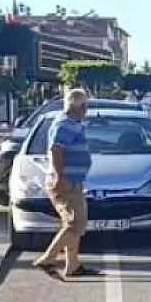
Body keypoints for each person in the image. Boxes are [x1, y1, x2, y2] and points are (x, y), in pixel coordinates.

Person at [33, 89, 97, 280]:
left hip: (74, 181)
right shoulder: (65, 124)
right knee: (75, 223)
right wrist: (61, 177)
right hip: (66, 181)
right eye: (85, 105)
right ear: (80, 106)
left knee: (73, 223)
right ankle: (48, 258)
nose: (87, 109)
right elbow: (56, 149)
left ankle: (73, 265)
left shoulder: (72, 123)